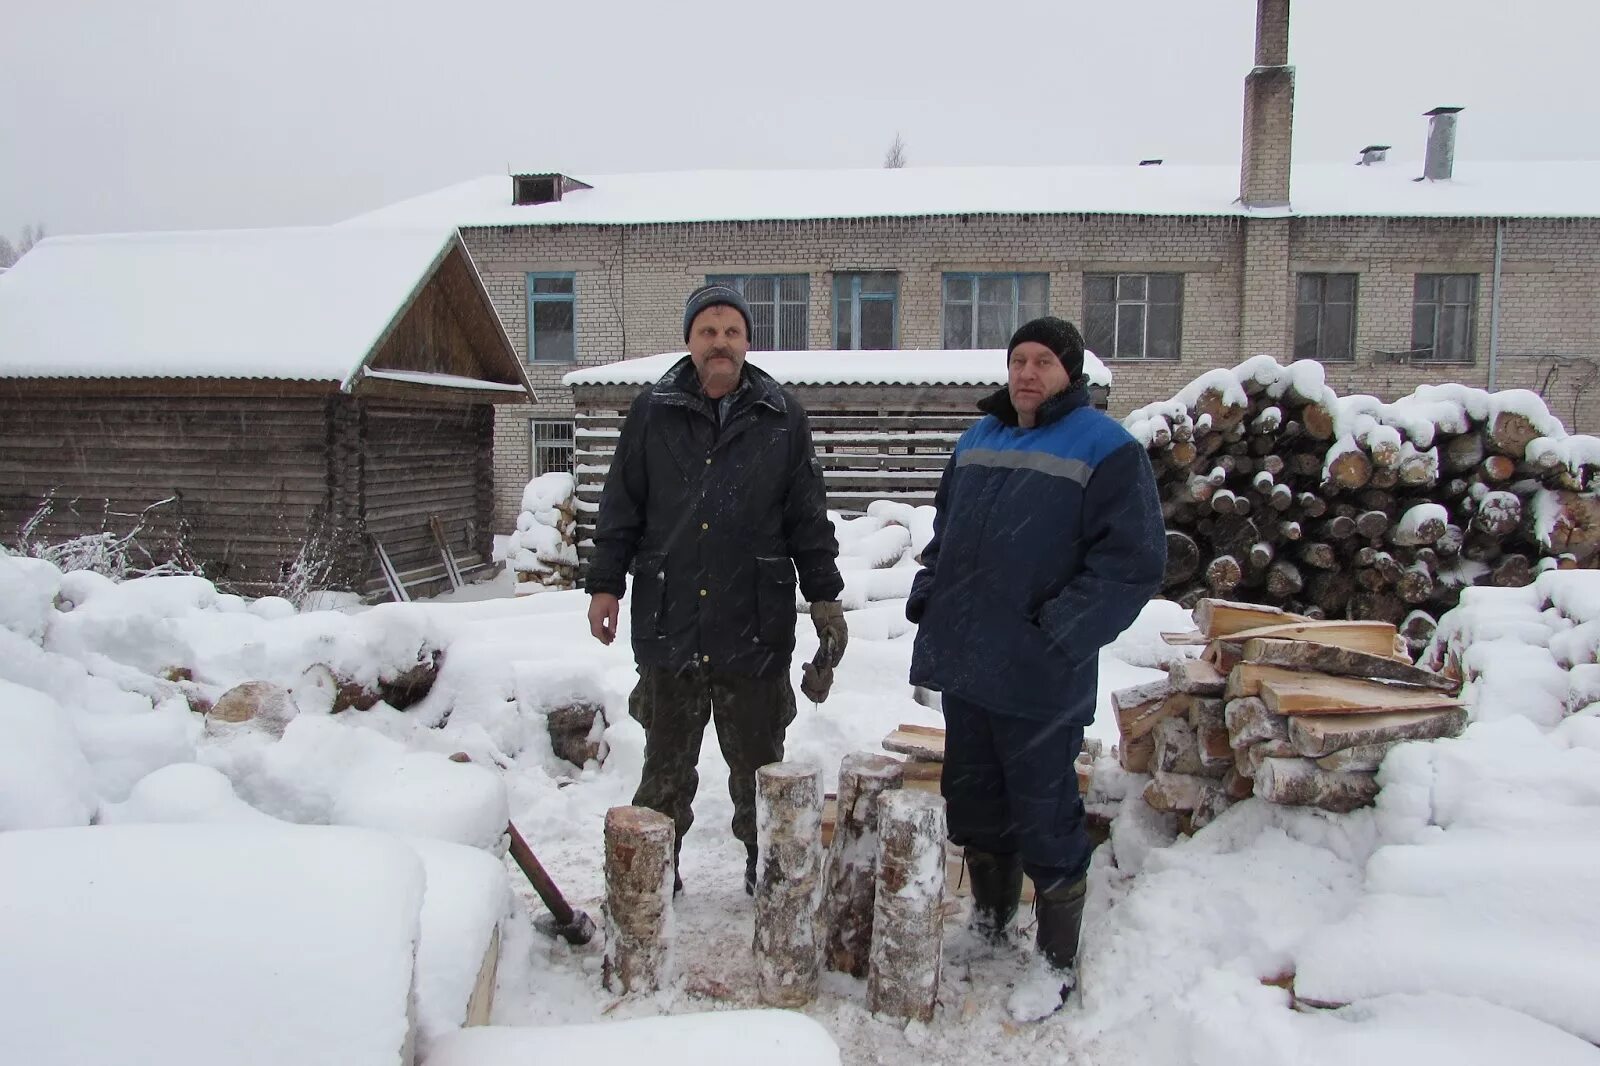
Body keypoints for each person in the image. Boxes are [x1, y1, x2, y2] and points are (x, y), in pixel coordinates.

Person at [905, 316, 1165, 1011]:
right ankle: (990, 926)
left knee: (1045, 813)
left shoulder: (1107, 449)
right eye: (1019, 359)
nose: (1027, 373)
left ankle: (1055, 963)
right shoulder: (979, 438)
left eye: (1043, 361)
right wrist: (930, 594)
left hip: (1040, 671)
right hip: (969, 663)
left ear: (1069, 373)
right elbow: (945, 535)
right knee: (976, 803)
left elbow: (1133, 564)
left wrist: (1059, 629)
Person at [585, 283, 848, 896]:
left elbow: (808, 517)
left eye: (732, 331)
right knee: (664, 773)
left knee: (762, 771)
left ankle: (773, 884)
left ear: (748, 341)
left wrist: (826, 598)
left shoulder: (782, 415)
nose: (720, 342)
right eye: (708, 331)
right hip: (669, 621)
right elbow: (620, 506)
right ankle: (652, 884)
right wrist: (604, 586)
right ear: (689, 341)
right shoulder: (652, 411)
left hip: (754, 625)